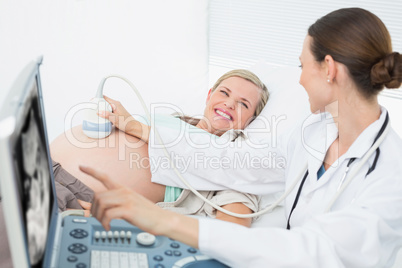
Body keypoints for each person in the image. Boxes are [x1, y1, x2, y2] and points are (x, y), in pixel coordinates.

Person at [80, 8, 402, 267]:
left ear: (329, 69)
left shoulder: (391, 176)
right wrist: (138, 128)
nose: (299, 79)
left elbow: (311, 251)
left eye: (302, 66)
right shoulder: (313, 132)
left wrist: (161, 221)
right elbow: (233, 162)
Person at [51, 69, 270, 227]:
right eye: (224, 92)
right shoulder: (172, 120)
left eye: (243, 104)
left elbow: (232, 230)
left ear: (251, 121)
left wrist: (129, 219)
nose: (229, 103)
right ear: (209, 95)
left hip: (74, 197)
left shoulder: (231, 159)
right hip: (42, 163)